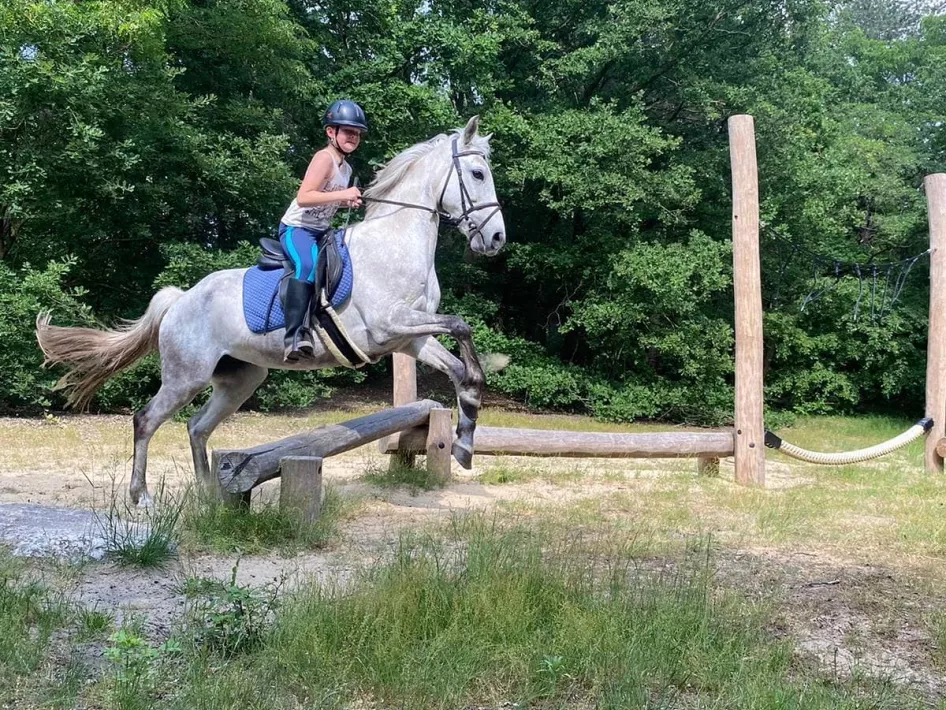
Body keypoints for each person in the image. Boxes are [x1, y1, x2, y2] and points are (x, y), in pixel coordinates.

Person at [278, 99, 367, 361]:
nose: (353, 137)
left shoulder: (347, 168)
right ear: (331, 132)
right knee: (307, 265)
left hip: (322, 230)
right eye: (348, 131)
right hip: (299, 229)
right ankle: (293, 336)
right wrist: (343, 194)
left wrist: (345, 200)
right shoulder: (323, 158)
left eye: (357, 133)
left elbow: (326, 197)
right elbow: (305, 197)